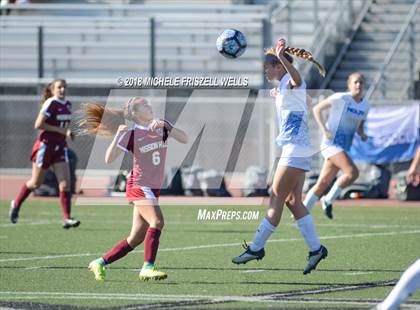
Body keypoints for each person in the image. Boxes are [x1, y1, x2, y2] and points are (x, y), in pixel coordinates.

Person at [232, 38, 328, 275]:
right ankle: (316, 249)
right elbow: (296, 95)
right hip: (297, 148)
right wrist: (279, 93)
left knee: (275, 197)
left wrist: (283, 57)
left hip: (295, 149)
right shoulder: (285, 84)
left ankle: (256, 248)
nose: (265, 70)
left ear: (279, 65)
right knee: (293, 202)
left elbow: (297, 79)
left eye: (268, 66)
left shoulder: (292, 80)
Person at [82, 97, 188, 281]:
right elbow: (109, 158)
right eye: (145, 106)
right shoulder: (131, 133)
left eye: (149, 104)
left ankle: (99, 262)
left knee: (135, 238)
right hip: (139, 185)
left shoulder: (160, 126)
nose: (150, 107)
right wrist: (117, 136)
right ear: (136, 114)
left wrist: (168, 127)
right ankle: (148, 267)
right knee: (157, 221)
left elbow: (185, 139)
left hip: (152, 188)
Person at [9, 79, 80, 229]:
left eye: (64, 87)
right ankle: (16, 203)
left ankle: (67, 218)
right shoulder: (51, 103)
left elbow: (63, 126)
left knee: (65, 184)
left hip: (60, 146)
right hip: (45, 146)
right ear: (53, 89)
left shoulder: (68, 105)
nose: (62, 90)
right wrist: (60, 130)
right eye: (59, 87)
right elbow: (38, 124)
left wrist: (68, 132)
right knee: (36, 183)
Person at [304, 72, 369, 219]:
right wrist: (324, 130)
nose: (358, 85)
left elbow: (360, 125)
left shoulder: (365, 105)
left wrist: (362, 134)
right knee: (352, 173)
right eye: (355, 82)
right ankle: (327, 200)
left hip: (343, 146)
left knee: (323, 183)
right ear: (349, 84)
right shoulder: (341, 98)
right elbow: (317, 109)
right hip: (330, 144)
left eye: (361, 83)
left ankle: (301, 213)